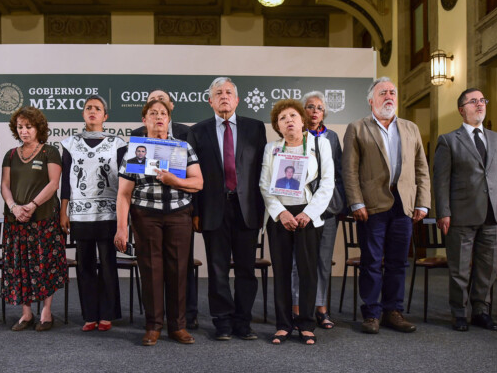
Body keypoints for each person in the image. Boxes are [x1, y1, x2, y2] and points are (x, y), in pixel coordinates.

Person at [342, 77, 430, 334]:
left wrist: (423, 202)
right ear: (371, 100)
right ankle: (371, 313)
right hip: (371, 205)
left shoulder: (411, 128)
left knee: (399, 261)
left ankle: (393, 311)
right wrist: (356, 201)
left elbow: (421, 168)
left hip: (404, 204)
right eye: (383, 93)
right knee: (371, 261)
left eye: (392, 92)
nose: (389, 96)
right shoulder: (357, 128)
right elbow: (349, 170)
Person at [115, 99, 203, 346]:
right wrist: (121, 228)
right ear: (144, 120)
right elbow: (123, 193)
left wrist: (176, 181)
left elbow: (198, 182)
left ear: (169, 118)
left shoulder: (182, 147)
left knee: (178, 270)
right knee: (151, 271)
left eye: (163, 113)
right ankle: (153, 326)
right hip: (146, 215)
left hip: (178, 214)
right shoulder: (135, 150)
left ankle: (178, 326)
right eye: (152, 113)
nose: (158, 117)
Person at [433, 88, 497, 332]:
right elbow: (441, 180)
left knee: (488, 267)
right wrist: (443, 212)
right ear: (462, 109)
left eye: (482, 100)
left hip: (493, 213)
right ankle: (460, 313)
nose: (480, 105)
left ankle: (481, 310)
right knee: (459, 269)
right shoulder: (449, 140)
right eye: (473, 102)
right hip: (461, 214)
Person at [187, 77, 267, 341]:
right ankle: (222, 321)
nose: (224, 96)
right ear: (210, 100)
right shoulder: (197, 131)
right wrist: (196, 212)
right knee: (218, 269)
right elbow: (193, 175)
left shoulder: (256, 128)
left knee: (246, 269)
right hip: (213, 209)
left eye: (229, 92)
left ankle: (243, 322)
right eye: (218, 93)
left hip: (246, 209)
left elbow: (261, 172)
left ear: (237, 100)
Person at [260, 99, 334, 345]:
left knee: (307, 271)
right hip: (279, 215)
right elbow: (264, 185)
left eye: (293, 116)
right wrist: (281, 213)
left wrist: (308, 214)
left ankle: (306, 324)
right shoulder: (271, 148)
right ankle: (283, 325)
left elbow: (327, 183)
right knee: (280, 271)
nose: (289, 120)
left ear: (303, 120)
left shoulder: (319, 144)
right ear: (277, 126)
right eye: (282, 118)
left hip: (307, 215)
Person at [60, 96, 126, 332]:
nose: (92, 111)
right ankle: (90, 314)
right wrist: (63, 211)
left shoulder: (118, 143)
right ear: (83, 114)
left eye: (97, 109)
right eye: (88, 108)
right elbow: (65, 181)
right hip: (79, 214)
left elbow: (125, 183)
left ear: (105, 116)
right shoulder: (69, 143)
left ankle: (107, 314)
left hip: (109, 213)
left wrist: (123, 218)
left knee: (108, 264)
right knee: (85, 265)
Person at [0, 106, 66, 332]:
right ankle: (26, 313)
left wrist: (31, 205)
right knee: (21, 266)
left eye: (29, 127)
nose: (24, 131)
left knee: (44, 264)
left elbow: (53, 184)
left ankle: (46, 312)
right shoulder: (10, 154)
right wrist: (13, 207)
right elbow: (5, 185)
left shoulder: (50, 152)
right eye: (20, 127)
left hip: (43, 219)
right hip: (15, 220)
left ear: (39, 128)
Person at [290, 91, 346, 330]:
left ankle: (321, 309)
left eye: (319, 108)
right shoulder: (293, 135)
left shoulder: (332, 137)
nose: (314, 111)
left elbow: (339, 174)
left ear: (324, 113)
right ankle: (297, 308)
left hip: (327, 209)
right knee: (297, 262)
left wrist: (338, 202)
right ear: (303, 111)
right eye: (310, 107)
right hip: (300, 208)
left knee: (323, 261)